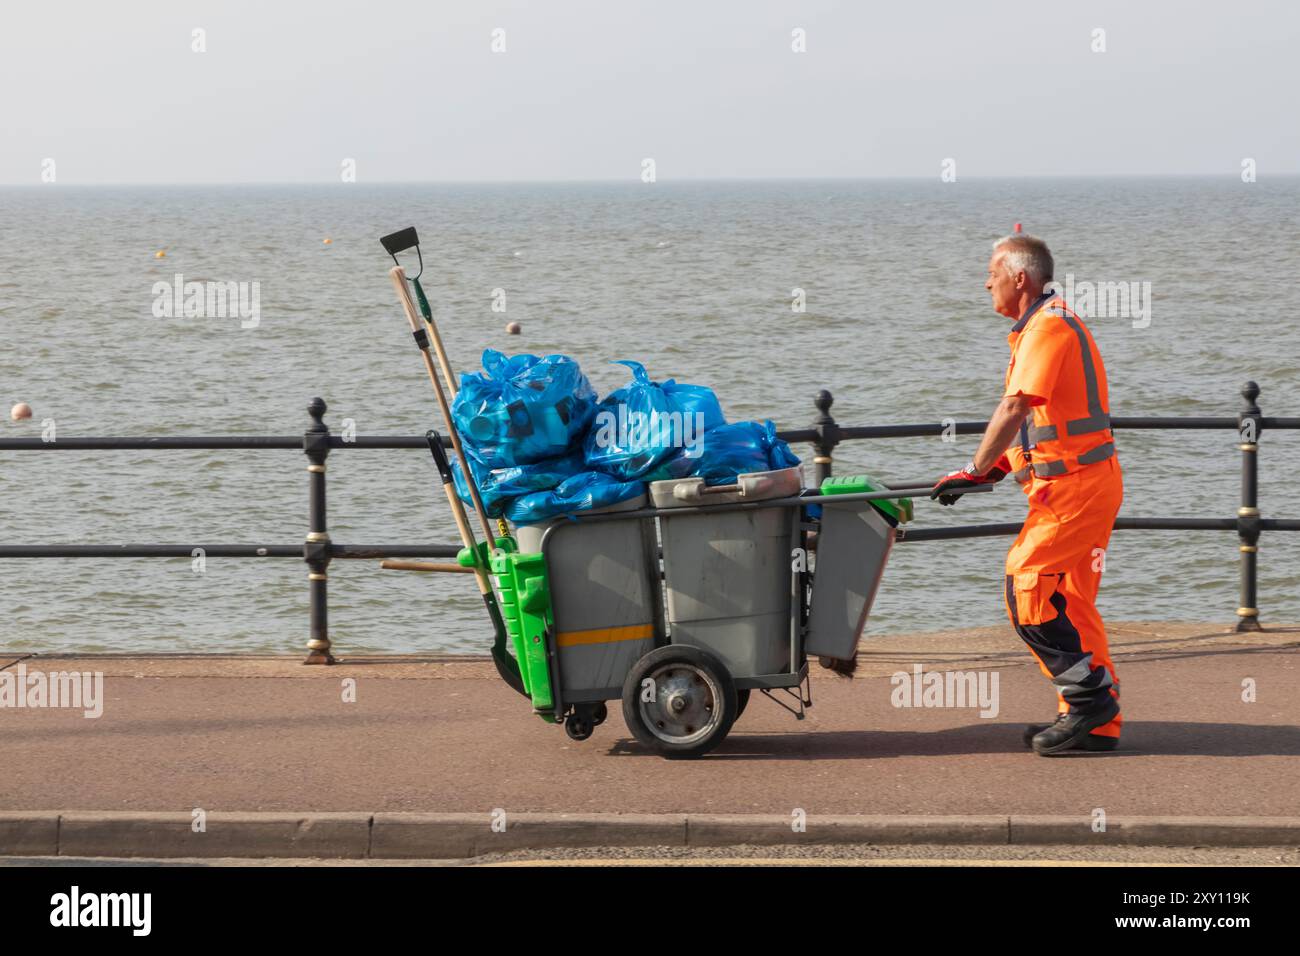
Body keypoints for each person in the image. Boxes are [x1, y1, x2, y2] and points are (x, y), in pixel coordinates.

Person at [931, 235, 1124, 756]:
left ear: (1020, 279)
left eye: (992, 272)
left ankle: (1089, 701)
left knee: (1028, 585)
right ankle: (1094, 723)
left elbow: (1016, 408)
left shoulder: (1048, 326)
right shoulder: (1039, 328)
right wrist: (994, 468)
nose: (985, 281)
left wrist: (973, 468)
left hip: (1076, 489)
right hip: (1076, 484)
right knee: (1072, 604)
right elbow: (1039, 426)